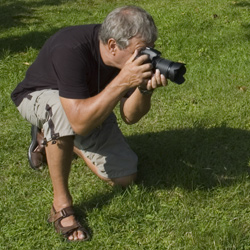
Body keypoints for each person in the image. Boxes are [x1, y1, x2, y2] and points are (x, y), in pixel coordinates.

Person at [11, 5, 167, 241]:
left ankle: (61, 140)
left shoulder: (126, 60)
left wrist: (143, 90)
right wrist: (123, 82)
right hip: (39, 96)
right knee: (60, 112)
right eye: (140, 51)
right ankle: (60, 205)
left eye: (149, 49)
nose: (144, 57)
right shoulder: (70, 48)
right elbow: (81, 124)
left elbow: (130, 117)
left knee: (125, 176)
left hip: (84, 106)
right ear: (113, 45)